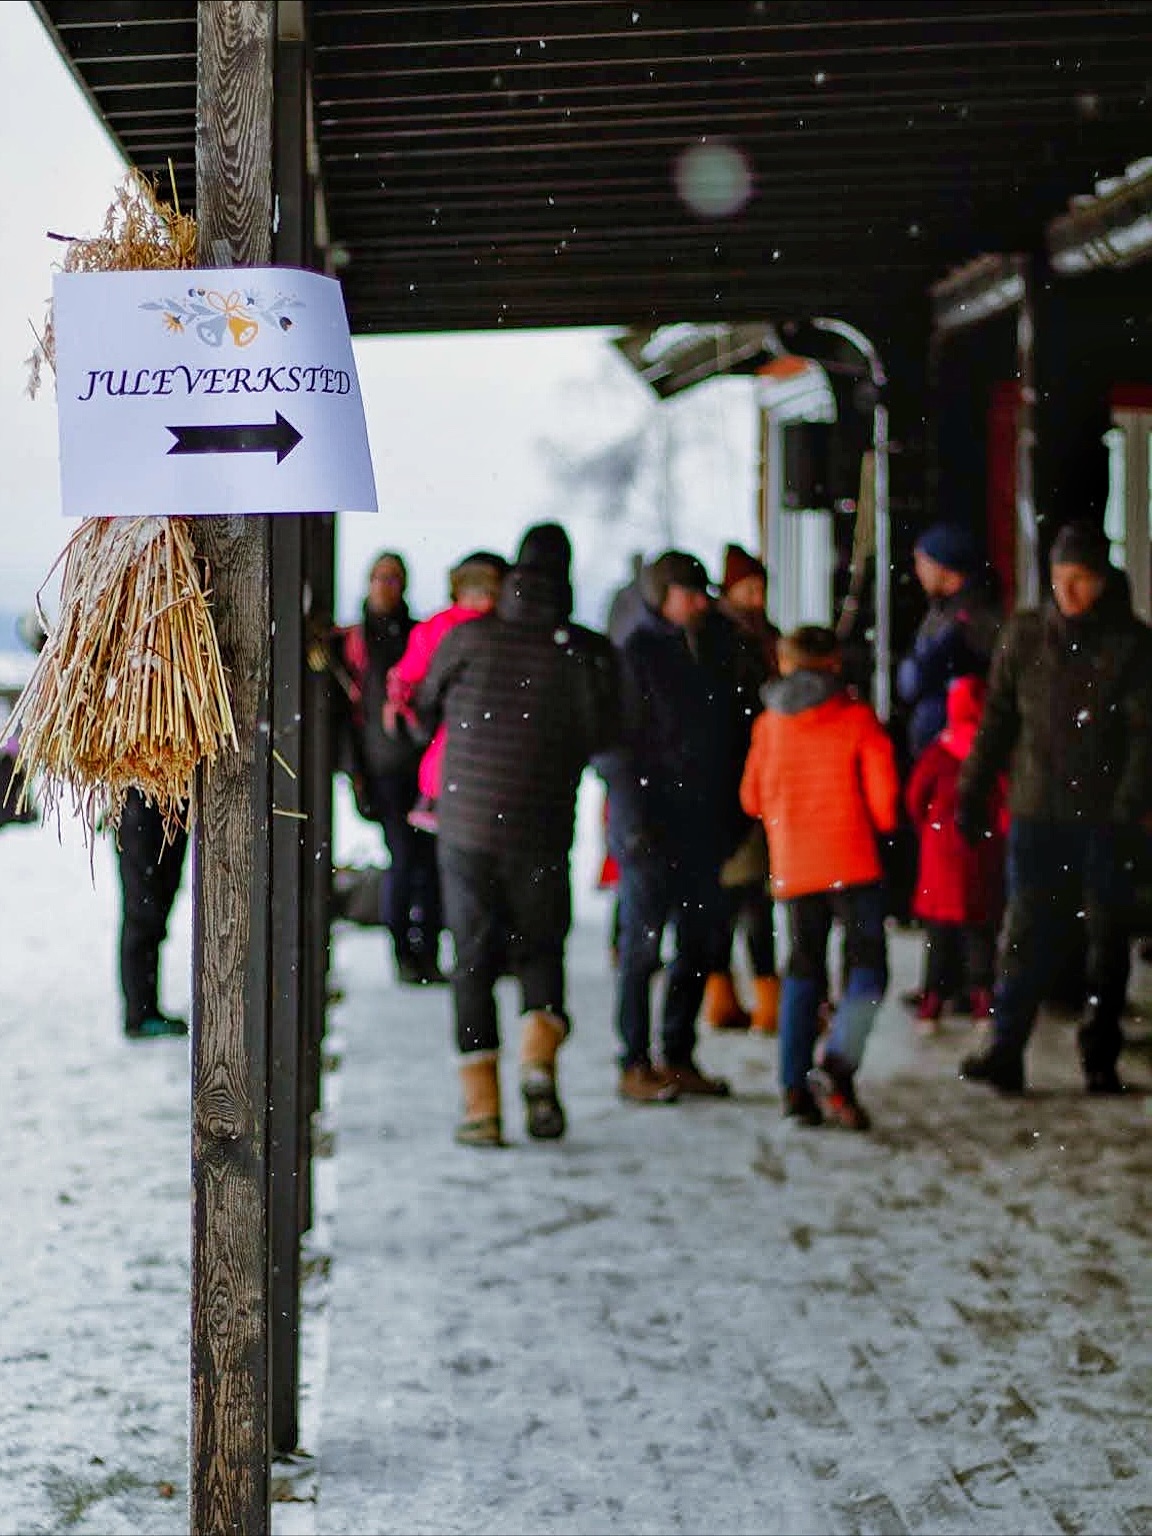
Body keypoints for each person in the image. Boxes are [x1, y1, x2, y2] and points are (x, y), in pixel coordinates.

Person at [417, 522, 619, 1146]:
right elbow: (603, 734)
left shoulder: (469, 637)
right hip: (541, 826)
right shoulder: (585, 651)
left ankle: (482, 1110)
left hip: (468, 825)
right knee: (539, 948)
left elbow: (424, 706)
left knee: (472, 959)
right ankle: (538, 1059)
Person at [957, 519, 1152, 1096]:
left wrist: (1126, 808)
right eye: (1061, 579)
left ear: (1101, 580)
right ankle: (1006, 1047)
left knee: (1104, 941)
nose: (1069, 593)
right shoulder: (1024, 637)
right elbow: (997, 720)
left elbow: (1145, 736)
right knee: (1024, 930)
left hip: (1102, 816)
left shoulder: (1132, 645)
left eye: (1082, 580)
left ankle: (1099, 1055)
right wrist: (972, 787)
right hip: (1038, 807)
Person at [598, 550, 756, 1104]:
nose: (699, 602)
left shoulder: (717, 646)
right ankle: (634, 1061)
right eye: (688, 593)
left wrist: (737, 814)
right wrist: (634, 819)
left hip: (706, 825)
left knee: (701, 944)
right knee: (641, 950)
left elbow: (736, 728)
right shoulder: (634, 655)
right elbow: (615, 746)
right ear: (661, 596)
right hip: (650, 825)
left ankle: (679, 1052)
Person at [740, 625, 900, 1130]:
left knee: (803, 972)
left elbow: (751, 798)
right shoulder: (857, 719)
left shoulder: (769, 724)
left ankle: (792, 1088)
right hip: (853, 865)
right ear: (834, 664)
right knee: (867, 972)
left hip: (795, 868)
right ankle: (838, 1063)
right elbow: (886, 806)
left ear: (784, 664)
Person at [335, 551, 444, 986]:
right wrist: (353, 772)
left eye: (393, 578)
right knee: (403, 859)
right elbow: (343, 715)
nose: (385, 585)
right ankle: (405, 955)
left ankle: (427, 954)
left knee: (429, 861)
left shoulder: (419, 636)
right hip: (380, 769)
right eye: (379, 577)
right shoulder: (352, 642)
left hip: (421, 768)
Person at [705, 542, 781, 1034]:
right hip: (734, 784)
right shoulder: (727, 643)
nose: (755, 598)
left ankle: (736, 996)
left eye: (759, 588)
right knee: (743, 898)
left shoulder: (760, 638)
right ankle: (743, 996)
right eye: (746, 589)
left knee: (740, 899)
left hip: (756, 781)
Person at [904, 675, 1006, 1034]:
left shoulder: (938, 752)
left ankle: (932, 1001)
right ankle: (982, 1001)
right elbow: (1006, 804)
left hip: (940, 859)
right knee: (981, 935)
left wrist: (928, 830)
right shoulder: (994, 753)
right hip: (982, 855)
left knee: (939, 936)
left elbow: (915, 799)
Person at [385, 550, 508, 834]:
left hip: (436, 767)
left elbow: (404, 678)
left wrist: (406, 707)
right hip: (486, 767)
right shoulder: (504, 633)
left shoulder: (434, 628)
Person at [897, 520, 1002, 761]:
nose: (918, 571)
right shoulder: (942, 611)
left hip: (958, 746)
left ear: (943, 566)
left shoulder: (974, 616)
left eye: (922, 563)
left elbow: (917, 678)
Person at [116, 788, 189, 1039]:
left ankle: (145, 1008)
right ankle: (140, 1013)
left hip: (164, 806)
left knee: (155, 907)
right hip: (142, 809)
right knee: (143, 911)